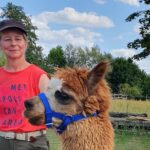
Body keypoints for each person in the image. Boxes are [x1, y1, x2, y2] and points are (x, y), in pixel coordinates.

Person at [0, 19, 50, 150]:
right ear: (0, 44)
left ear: (26, 43)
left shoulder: (40, 76)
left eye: (18, 39)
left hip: (31, 143)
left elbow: (56, 109)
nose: (13, 43)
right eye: (7, 39)